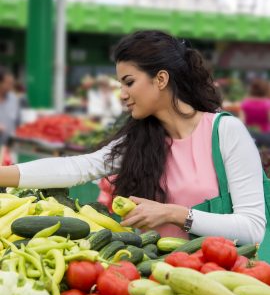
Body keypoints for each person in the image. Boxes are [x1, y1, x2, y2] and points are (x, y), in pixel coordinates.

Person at [0, 31, 266, 244]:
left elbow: (253, 228)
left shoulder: (225, 132)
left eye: (129, 82)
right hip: (159, 281)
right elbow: (78, 167)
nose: (122, 94)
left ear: (161, 79)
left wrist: (173, 213)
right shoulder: (142, 139)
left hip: (222, 283)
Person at [0, 66, 21, 145]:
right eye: (8, 83)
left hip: (9, 147)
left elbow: (19, 123)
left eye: (12, 83)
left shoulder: (13, 99)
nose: (11, 86)